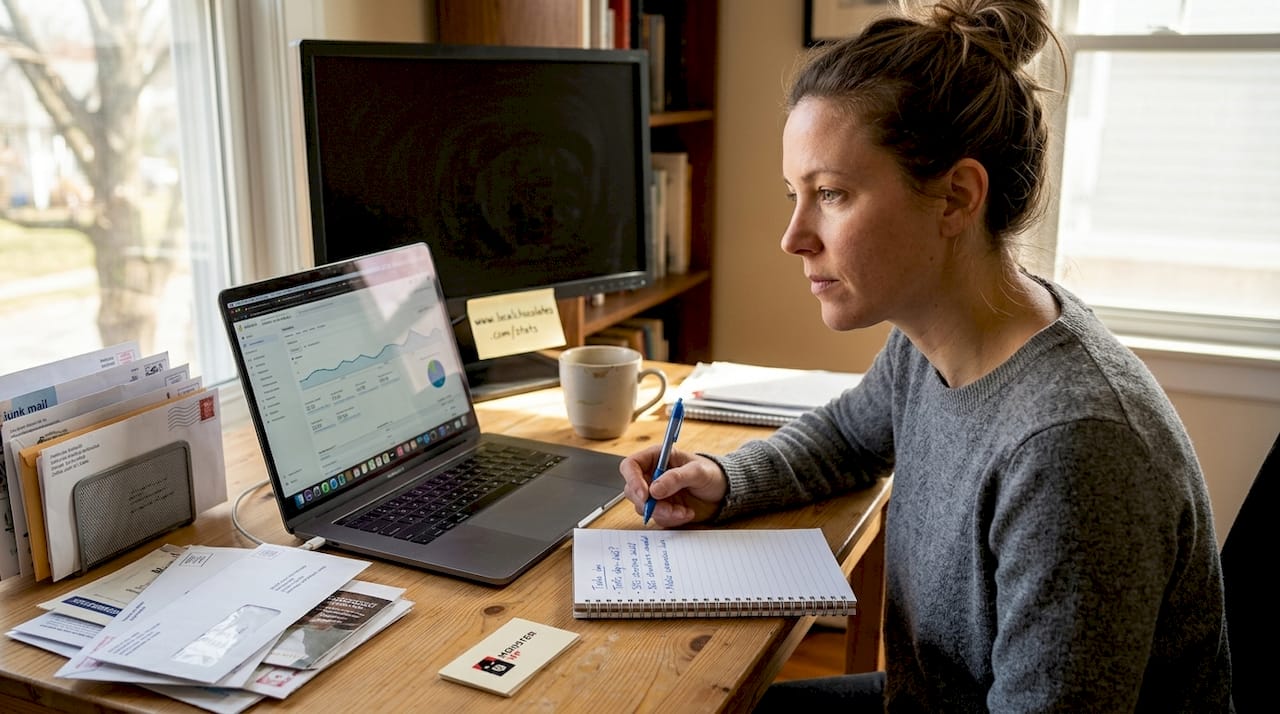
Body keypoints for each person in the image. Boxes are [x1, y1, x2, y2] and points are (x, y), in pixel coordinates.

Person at [619, 0, 1233, 710]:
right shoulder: (940, 331)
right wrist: (723, 479)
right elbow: (850, 435)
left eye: (831, 194)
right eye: (795, 194)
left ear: (955, 198)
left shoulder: (1071, 448)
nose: (793, 236)